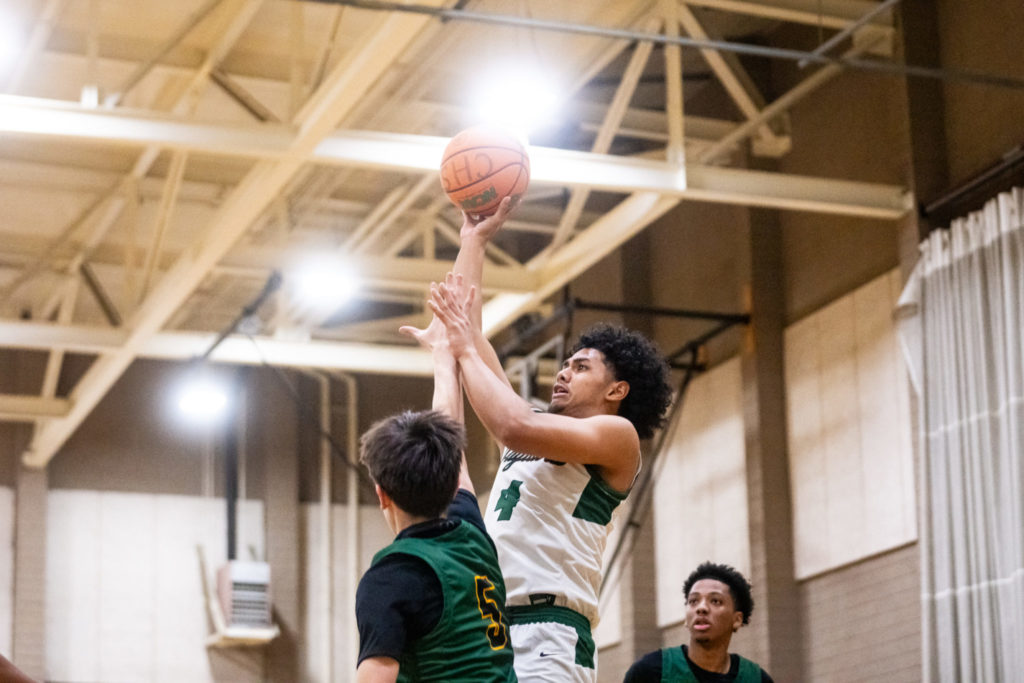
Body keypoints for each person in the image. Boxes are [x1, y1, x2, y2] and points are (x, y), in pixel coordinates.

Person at [423, 198, 674, 682]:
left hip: (551, 631)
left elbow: (511, 423)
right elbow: (469, 335)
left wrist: (458, 346)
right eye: (565, 363)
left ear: (616, 390)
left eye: (581, 367)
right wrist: (472, 242)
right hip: (491, 630)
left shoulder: (616, 437)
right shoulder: (533, 431)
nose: (562, 372)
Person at [354, 280, 516, 683]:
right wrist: (444, 356)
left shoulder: (393, 576)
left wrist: (445, 355)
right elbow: (452, 447)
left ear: (382, 494)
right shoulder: (471, 537)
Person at [623, 562, 774, 683]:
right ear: (686, 618)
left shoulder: (756, 679)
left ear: (737, 619)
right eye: (693, 601)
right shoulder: (650, 671)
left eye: (715, 601)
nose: (701, 608)